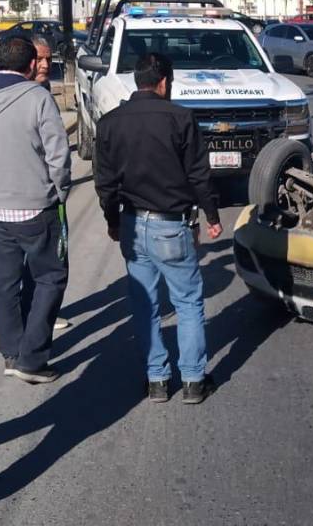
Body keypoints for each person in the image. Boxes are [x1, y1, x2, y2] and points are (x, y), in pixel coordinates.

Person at [93, 53, 223, 405]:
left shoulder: (110, 123)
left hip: (134, 224)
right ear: (164, 82)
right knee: (187, 302)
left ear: (138, 81)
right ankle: (194, 380)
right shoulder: (181, 118)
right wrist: (211, 215)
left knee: (145, 304)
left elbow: (105, 184)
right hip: (171, 226)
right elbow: (199, 175)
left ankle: (157, 381)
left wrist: (113, 221)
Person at [0, 38, 71, 383]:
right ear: (31, 63)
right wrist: (59, 190)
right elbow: (58, 156)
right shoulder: (38, 98)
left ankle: (10, 353)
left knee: (5, 283)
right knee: (50, 277)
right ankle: (32, 359)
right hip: (36, 206)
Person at [32, 34, 72, 332]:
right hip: (30, 195)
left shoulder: (43, 89)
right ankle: (13, 322)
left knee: (50, 260)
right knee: (22, 267)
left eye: (48, 58)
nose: (45, 64)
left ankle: (40, 313)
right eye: (39, 58)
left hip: (47, 193)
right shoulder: (15, 93)